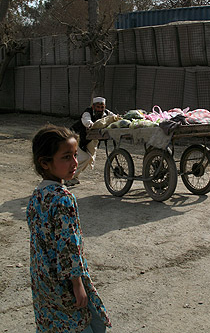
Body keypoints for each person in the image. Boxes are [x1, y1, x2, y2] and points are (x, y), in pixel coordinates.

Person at [27, 125, 112, 333]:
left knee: (52, 323)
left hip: (42, 278)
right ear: (45, 163)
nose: (74, 162)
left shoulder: (37, 195)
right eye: (66, 157)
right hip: (64, 281)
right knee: (78, 321)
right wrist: (77, 284)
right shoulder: (63, 199)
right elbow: (69, 246)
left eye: (75, 155)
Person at [69, 97, 115, 186]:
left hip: (91, 139)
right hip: (77, 137)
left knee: (88, 159)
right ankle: (69, 178)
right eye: (98, 107)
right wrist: (92, 125)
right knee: (84, 158)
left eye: (102, 107)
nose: (100, 109)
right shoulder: (87, 113)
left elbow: (113, 117)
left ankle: (73, 176)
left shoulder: (106, 113)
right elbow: (87, 121)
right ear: (93, 107)